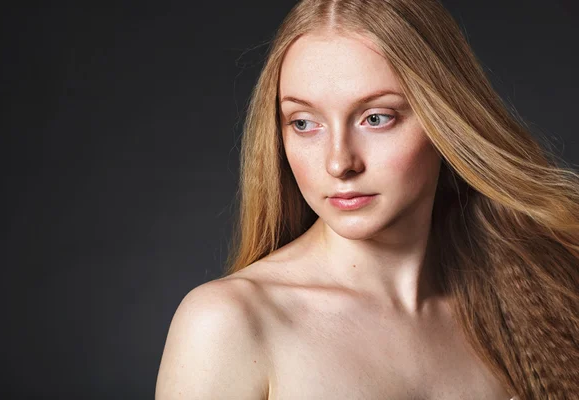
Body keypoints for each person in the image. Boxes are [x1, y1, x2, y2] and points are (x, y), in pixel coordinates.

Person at [155, 0, 579, 398]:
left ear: (447, 120)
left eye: (376, 118)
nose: (339, 163)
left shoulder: (534, 302)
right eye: (304, 123)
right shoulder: (227, 324)